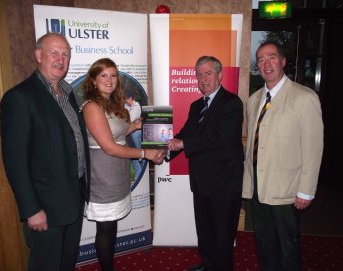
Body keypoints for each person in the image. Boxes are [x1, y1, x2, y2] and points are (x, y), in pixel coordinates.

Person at [0, 33, 90, 271]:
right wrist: (31, 209)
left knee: (67, 262)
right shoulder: (19, 98)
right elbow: (15, 161)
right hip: (45, 208)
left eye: (66, 55)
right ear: (38, 55)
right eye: (54, 53)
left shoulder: (68, 93)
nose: (61, 60)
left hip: (73, 197)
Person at [242, 41, 324, 271]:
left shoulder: (304, 98)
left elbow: (313, 148)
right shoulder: (254, 99)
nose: (266, 64)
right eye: (260, 59)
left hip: (287, 192)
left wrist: (306, 190)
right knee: (264, 244)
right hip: (258, 188)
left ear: (283, 61)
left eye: (272, 57)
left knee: (287, 248)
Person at [81, 58, 164, 271]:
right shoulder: (92, 106)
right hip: (104, 175)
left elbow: (115, 134)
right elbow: (109, 146)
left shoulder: (110, 102)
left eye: (113, 75)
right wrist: (145, 153)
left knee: (112, 226)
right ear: (93, 79)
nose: (110, 80)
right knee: (106, 228)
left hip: (117, 172)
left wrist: (134, 126)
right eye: (103, 75)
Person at [167, 56, 244, 271]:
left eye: (207, 73)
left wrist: (182, 142)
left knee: (223, 235)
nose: (202, 79)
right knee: (205, 230)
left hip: (223, 185)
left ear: (219, 75)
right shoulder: (196, 106)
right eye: (199, 75)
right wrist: (163, 150)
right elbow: (185, 134)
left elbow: (217, 138)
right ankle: (208, 265)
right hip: (202, 182)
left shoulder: (231, 103)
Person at [124, 88, 143, 181]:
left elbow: (129, 120)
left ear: (130, 98)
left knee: (131, 138)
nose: (125, 101)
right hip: (128, 131)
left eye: (126, 99)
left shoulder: (136, 106)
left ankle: (138, 158)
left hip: (135, 130)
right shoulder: (126, 106)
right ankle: (137, 165)